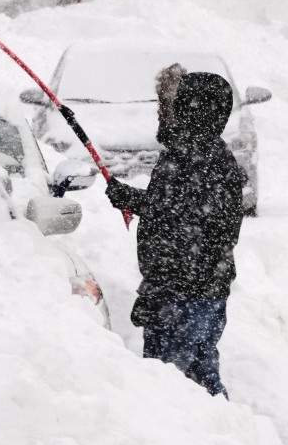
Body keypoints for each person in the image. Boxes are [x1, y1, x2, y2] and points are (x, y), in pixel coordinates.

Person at [104, 68, 246, 398]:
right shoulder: (211, 155)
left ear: (188, 108)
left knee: (167, 388)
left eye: (176, 104)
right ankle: (230, 439)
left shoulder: (192, 155)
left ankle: (202, 442)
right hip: (201, 290)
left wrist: (137, 201)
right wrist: (135, 199)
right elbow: (179, 210)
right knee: (200, 376)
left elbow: (181, 217)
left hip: (181, 293)